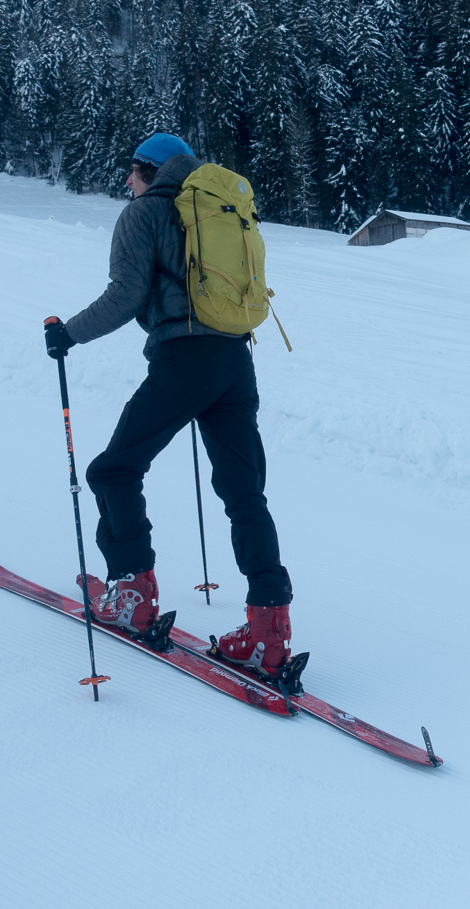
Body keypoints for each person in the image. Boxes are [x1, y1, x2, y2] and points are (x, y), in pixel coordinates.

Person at [43, 133, 294, 676]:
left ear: (147, 171)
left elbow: (125, 295)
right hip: (236, 358)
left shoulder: (146, 213)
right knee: (244, 491)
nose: (126, 185)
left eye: (130, 173)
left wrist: (69, 334)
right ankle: (268, 632)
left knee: (113, 469)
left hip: (185, 361)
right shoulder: (215, 208)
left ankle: (132, 596)